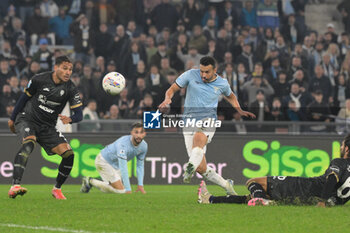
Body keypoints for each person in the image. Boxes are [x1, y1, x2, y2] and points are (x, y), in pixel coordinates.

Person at [159, 56, 255, 194]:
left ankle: (189, 167)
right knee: (201, 168)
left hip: (208, 120)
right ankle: (226, 185)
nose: (203, 75)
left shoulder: (222, 83)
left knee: (199, 139)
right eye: (202, 71)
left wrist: (239, 110)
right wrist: (167, 98)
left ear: (214, 70)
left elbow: (231, 96)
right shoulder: (191, 74)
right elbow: (172, 89)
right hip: (188, 122)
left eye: (207, 72)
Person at [198, 134, 350, 207]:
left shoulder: (340, 162)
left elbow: (332, 178)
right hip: (312, 200)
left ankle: (262, 201)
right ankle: (211, 199)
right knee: (253, 196)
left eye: (342, 145)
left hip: (305, 187)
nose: (341, 148)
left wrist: (323, 202)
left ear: (347, 149)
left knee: (253, 181)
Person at [7, 56, 83, 200]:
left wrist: (71, 119)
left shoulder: (71, 88)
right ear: (56, 68)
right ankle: (15, 186)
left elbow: (79, 114)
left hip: (47, 127)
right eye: (65, 68)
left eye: (70, 69)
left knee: (69, 154)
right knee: (29, 143)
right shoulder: (39, 79)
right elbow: (22, 99)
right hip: (28, 119)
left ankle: (57, 189)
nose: (68, 72)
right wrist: (12, 119)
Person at [80, 123, 147, 194]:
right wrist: (128, 189)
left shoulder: (144, 146)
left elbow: (140, 166)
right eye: (136, 132)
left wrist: (140, 185)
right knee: (121, 191)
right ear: (132, 133)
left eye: (141, 132)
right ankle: (90, 181)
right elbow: (123, 166)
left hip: (116, 165)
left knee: (113, 188)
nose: (138, 135)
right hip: (104, 161)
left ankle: (88, 183)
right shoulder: (123, 144)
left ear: (144, 134)